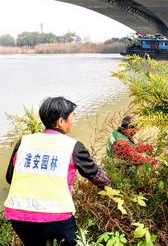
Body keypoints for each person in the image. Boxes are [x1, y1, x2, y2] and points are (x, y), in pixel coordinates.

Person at [3, 97, 111, 246]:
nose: (73, 121)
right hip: (56, 217)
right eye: (72, 117)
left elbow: (10, 178)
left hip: (19, 217)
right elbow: (98, 177)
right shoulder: (72, 146)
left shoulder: (24, 141)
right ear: (61, 121)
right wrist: (114, 190)